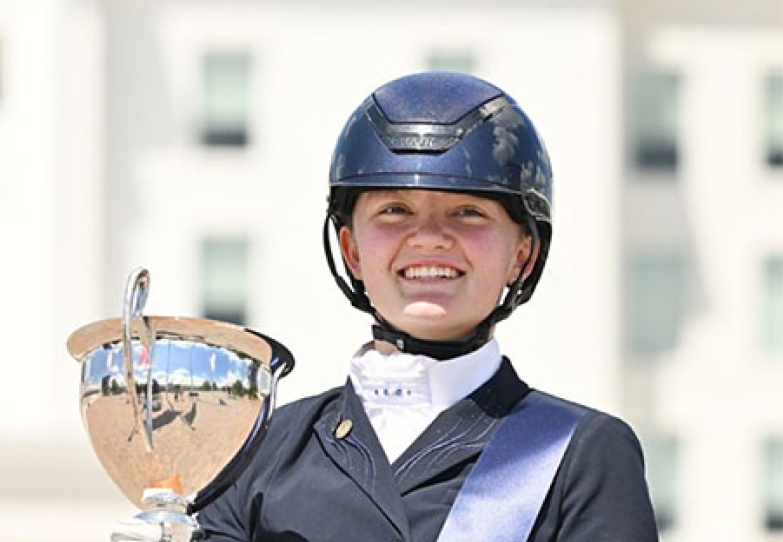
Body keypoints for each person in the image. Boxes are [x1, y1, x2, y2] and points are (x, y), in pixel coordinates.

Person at [197, 71, 658, 541]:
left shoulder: (578, 452)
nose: (430, 238)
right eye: (395, 211)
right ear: (351, 251)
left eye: (469, 212)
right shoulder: (256, 452)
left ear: (522, 255)